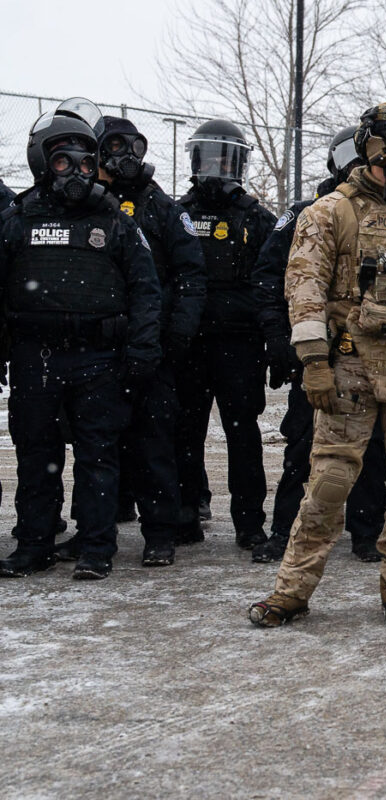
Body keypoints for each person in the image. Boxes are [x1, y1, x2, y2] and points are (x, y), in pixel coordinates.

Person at [248, 100, 386, 626]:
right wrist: (313, 361)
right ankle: (292, 590)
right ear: (378, 147)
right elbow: (302, 289)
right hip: (351, 363)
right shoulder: (330, 213)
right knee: (328, 482)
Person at [0, 107, 161, 580]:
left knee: (97, 455)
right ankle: (33, 545)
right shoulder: (16, 220)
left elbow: (146, 288)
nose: (77, 173)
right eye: (65, 162)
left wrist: (142, 349)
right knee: (36, 454)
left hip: (99, 358)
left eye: (86, 164)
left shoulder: (115, 222)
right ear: (42, 162)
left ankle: (95, 547)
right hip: (35, 358)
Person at [51, 116, 207, 568]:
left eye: (131, 145)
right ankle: (92, 532)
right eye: (112, 147)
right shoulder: (87, 208)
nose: (123, 156)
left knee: (155, 440)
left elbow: (190, 276)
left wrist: (174, 335)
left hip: (151, 346)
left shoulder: (162, 207)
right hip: (97, 350)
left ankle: (161, 533)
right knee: (93, 445)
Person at [251, 125, 386, 564]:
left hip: (370, 348)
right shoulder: (306, 213)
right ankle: (285, 530)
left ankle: (367, 531)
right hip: (318, 349)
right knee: (304, 445)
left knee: (372, 445)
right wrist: (280, 339)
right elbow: (270, 279)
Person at [177, 119, 276, 550]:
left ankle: (249, 522)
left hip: (240, 344)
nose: (216, 167)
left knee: (242, 434)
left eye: (225, 158)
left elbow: (272, 281)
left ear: (239, 163)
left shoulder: (258, 219)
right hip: (190, 343)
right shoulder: (178, 213)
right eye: (208, 157)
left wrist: (272, 339)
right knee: (185, 432)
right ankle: (185, 514)